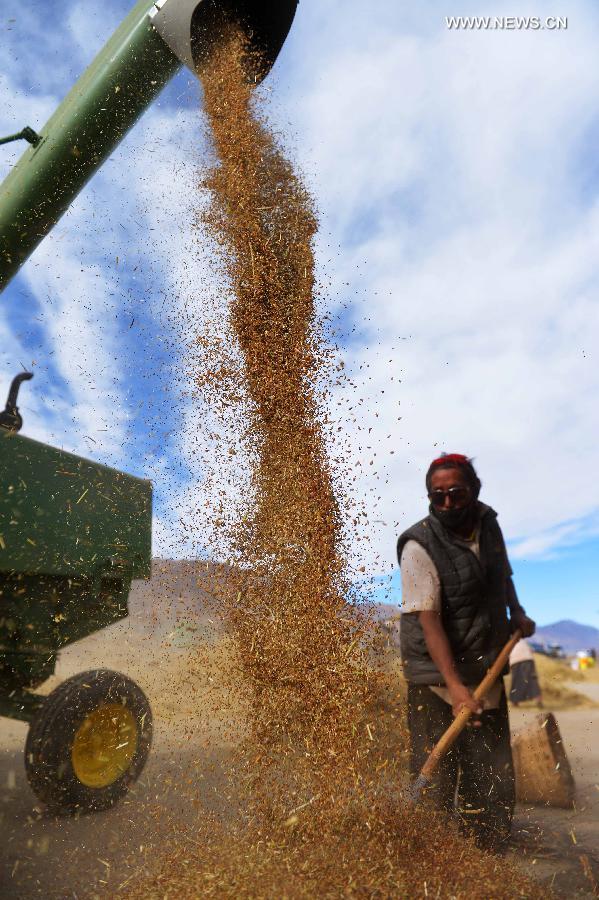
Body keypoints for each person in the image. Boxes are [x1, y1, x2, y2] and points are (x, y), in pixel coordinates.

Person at [398, 452, 535, 851]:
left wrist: (518, 613)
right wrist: (456, 688)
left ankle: (485, 855)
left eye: (456, 494)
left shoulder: (489, 526)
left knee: (491, 776)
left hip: (485, 667)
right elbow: (429, 622)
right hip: (435, 678)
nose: (446, 504)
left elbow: (502, 576)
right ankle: (433, 856)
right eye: (437, 495)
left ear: (474, 491)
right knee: (437, 779)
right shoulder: (417, 545)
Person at [509, 638, 542, 707]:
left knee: (517, 681)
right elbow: (531, 650)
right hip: (528, 659)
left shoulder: (508, 640)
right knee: (532, 680)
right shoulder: (522, 640)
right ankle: (538, 700)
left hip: (516, 660)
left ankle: (515, 702)